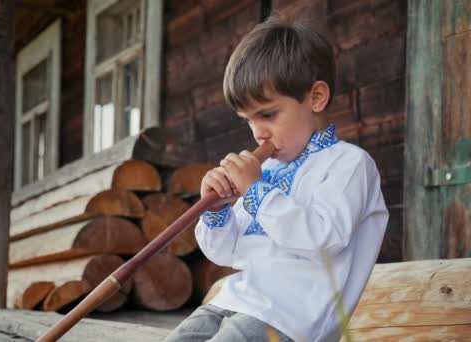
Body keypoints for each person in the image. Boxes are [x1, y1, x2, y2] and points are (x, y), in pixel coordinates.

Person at [164, 14, 389, 342]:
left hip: (294, 319)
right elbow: (226, 253)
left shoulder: (350, 165)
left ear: (315, 98)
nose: (257, 132)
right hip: (234, 301)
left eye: (267, 114)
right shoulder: (267, 171)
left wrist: (256, 191)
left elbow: (323, 241)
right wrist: (217, 211)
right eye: (248, 120)